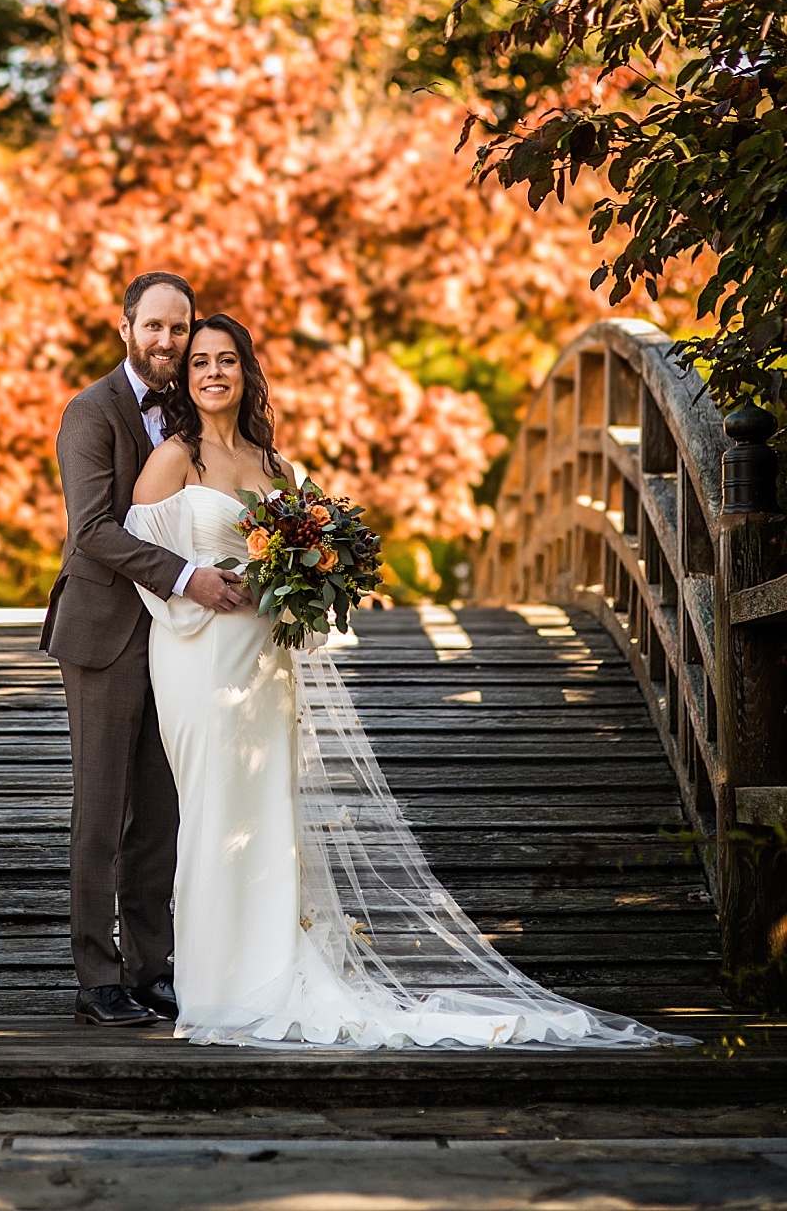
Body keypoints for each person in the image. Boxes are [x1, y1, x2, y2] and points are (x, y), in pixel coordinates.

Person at [124, 313, 689, 1050]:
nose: (212, 373)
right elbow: (140, 554)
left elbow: (300, 565)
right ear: (186, 377)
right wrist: (196, 585)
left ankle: (268, 971)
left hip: (265, 660)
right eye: (199, 362)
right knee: (210, 808)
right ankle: (214, 985)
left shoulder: (276, 467)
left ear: (246, 372)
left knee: (268, 810)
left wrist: (297, 587)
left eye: (227, 360)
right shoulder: (173, 460)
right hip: (198, 660)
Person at [42, 273, 250, 1028]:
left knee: (159, 816)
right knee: (101, 811)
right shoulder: (90, 413)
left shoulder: (191, 414)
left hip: (178, 645)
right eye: (153, 327)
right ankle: (97, 978)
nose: (167, 342)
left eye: (178, 329)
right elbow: (92, 530)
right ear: (124, 327)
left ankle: (151, 970)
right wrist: (189, 577)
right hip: (106, 634)